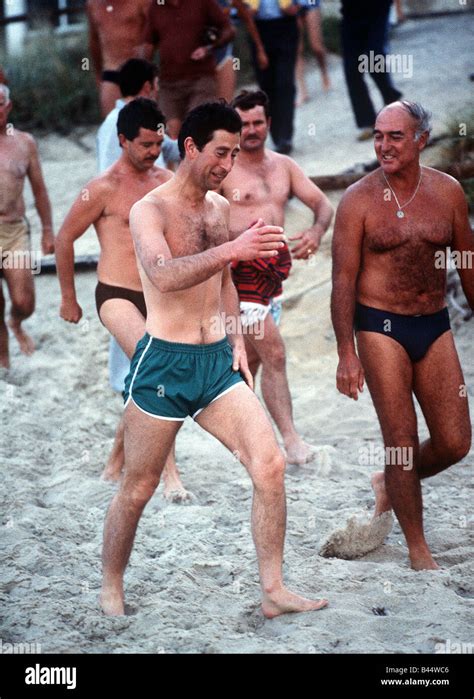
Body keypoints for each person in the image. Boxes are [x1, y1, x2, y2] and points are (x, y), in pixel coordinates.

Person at [100, 101, 329, 617]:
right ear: (190, 148)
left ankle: (273, 590)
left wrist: (236, 341)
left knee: (269, 466)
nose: (227, 165)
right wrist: (234, 251)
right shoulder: (149, 210)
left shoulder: (219, 208)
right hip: (163, 365)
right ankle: (111, 585)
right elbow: (162, 275)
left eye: (233, 155)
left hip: (216, 366)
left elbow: (226, 281)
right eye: (220, 153)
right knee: (137, 489)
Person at [331, 100, 473, 570]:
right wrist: (346, 354)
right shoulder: (358, 200)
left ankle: (389, 482)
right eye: (378, 135)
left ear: (420, 140)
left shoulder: (448, 193)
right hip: (380, 327)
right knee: (401, 439)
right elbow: (342, 284)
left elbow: (466, 266)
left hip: (433, 325)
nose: (384, 145)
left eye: (395, 136)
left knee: (455, 441)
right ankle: (418, 549)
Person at [56, 98, 188, 500]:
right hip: (115, 294)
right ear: (122, 140)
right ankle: (170, 475)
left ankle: (116, 460)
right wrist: (68, 299)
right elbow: (64, 239)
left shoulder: (166, 181)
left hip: (158, 294)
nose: (153, 152)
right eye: (145, 144)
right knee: (156, 371)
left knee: (144, 377)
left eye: (158, 143)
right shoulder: (101, 189)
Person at [219, 89, 333, 464]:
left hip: (272, 279)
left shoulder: (283, 165)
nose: (250, 130)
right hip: (239, 280)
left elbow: (322, 204)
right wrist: (227, 251)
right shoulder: (223, 169)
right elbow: (194, 215)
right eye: (243, 123)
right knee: (275, 353)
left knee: (250, 363)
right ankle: (291, 441)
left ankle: (244, 442)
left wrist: (315, 233)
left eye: (257, 122)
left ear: (268, 123)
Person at [0, 84, 54, 368]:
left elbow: (40, 191)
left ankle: (16, 321)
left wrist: (47, 230)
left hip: (14, 232)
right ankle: (4, 363)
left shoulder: (24, 143)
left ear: (8, 106)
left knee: (24, 301)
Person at [145, 0, 235, 139]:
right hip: (169, 84)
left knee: (197, 127)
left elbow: (229, 30)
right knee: (171, 135)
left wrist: (209, 48)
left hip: (201, 79)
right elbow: (148, 44)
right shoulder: (155, 7)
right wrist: (143, 74)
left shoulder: (202, 2)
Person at [97, 58, 180, 175]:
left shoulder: (113, 121)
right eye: (156, 85)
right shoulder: (120, 121)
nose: (158, 91)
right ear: (147, 87)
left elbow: (172, 149)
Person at [340, 0, 402, 141]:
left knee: (374, 56)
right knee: (352, 69)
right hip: (350, 14)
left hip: (377, 10)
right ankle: (367, 121)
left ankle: (390, 98)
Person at [246, 0, 300, 154]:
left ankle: (285, 136)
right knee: (266, 85)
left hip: (285, 25)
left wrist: (298, 6)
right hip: (259, 29)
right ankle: (276, 135)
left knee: (285, 82)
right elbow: (238, 10)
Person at [86, 0, 153, 117]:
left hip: (137, 72)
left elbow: (154, 35)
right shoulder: (93, 4)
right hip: (111, 73)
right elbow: (94, 43)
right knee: (111, 126)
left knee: (144, 128)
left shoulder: (143, 2)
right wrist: (98, 75)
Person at [214, 0, 269, 103]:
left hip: (235, 35)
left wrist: (259, 48)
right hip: (221, 41)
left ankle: (242, 85)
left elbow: (247, 16)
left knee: (236, 60)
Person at [295, 0, 331, 107]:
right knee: (297, 49)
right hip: (292, 5)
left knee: (317, 47)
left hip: (310, 3)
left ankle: (324, 73)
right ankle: (302, 90)